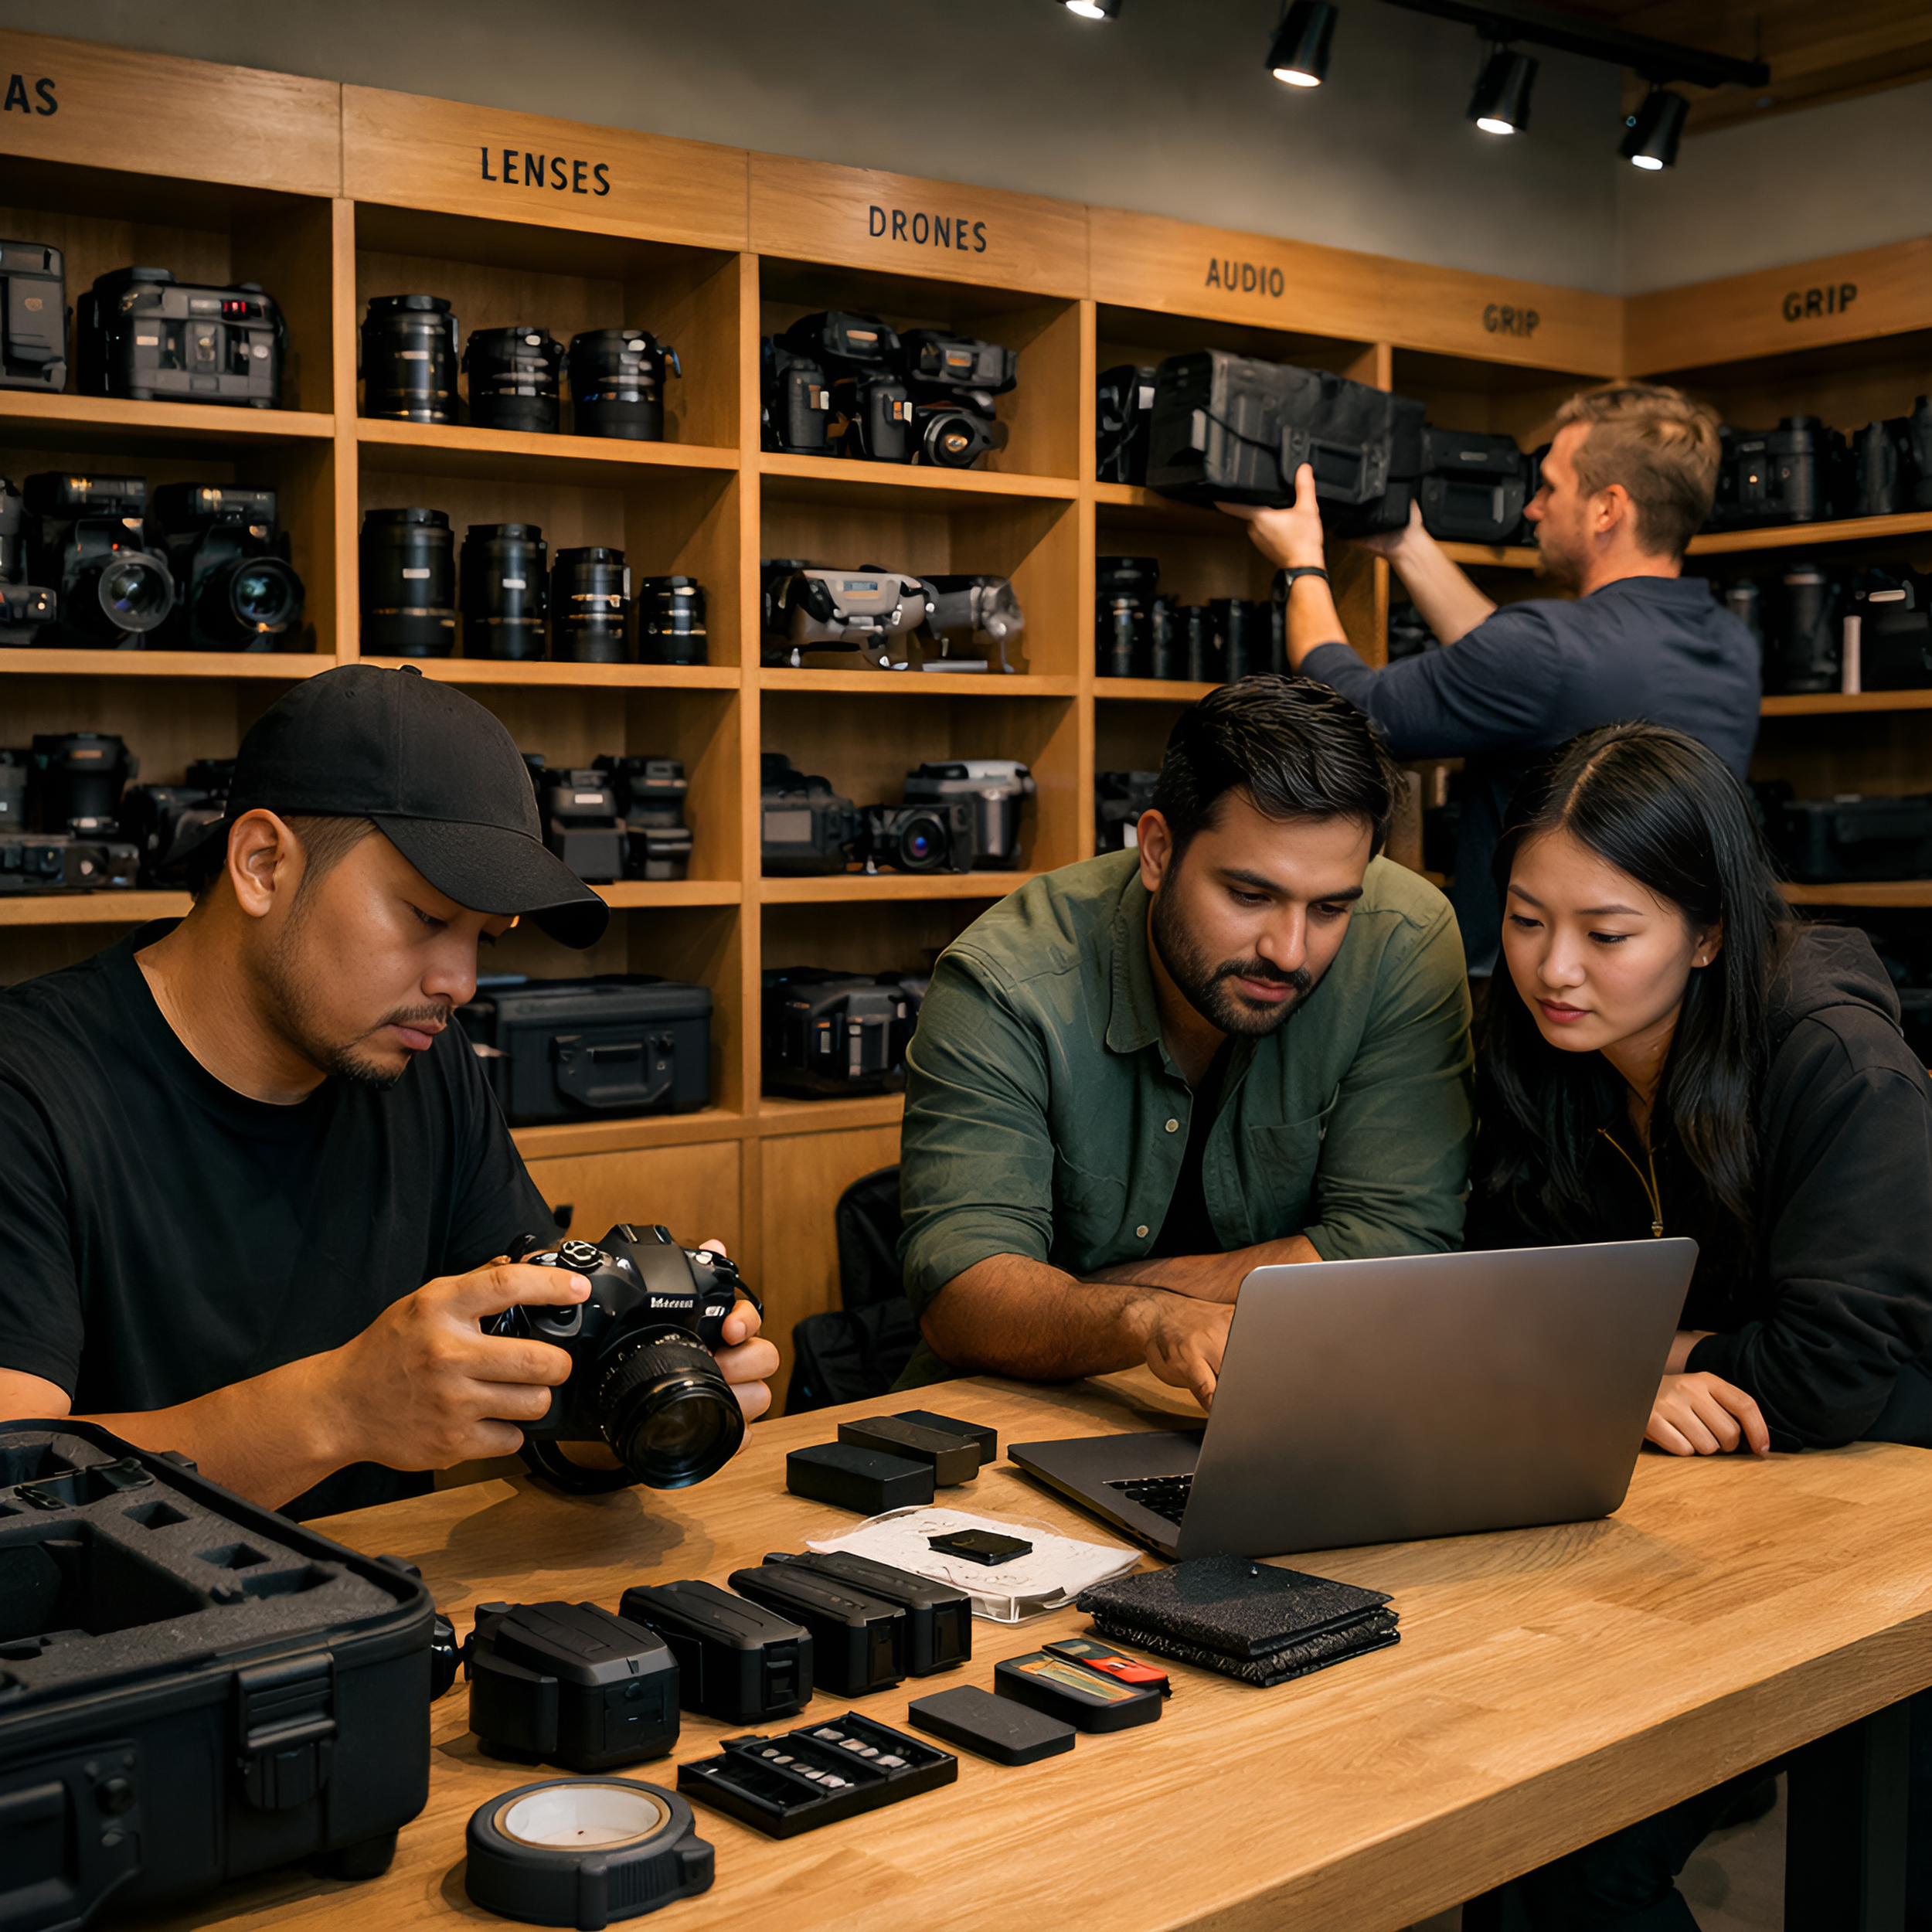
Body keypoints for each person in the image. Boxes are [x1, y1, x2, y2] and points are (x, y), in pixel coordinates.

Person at [0, 665, 777, 1519]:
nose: (461, 981)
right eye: (425, 916)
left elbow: (518, 1389)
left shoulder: (420, 1062)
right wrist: (340, 1411)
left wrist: (627, 1389)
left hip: (379, 1621)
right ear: (262, 864)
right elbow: (14, 1492)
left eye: (485, 936)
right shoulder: (26, 1089)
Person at [1465, 720, 1932, 1927]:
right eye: (1525, 919)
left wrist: (1635, 1352)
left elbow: (1825, 1371)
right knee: (1528, 1828)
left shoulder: (1836, 1061)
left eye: (1607, 934)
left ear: (1709, 931)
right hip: (1713, 1499)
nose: (1552, 969)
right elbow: (1492, 1297)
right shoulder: (1537, 1053)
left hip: (1891, 1501)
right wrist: (1627, 1367)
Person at [895, 675, 1475, 1405]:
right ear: (1159, 850)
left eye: (1329, 907)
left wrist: (1089, 1298)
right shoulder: (1006, 981)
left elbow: (1397, 1250)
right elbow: (963, 1292)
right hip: (1019, 1409)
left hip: (1293, 1398)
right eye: (1250, 895)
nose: (1290, 951)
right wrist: (1143, 1319)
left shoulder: (1403, 939)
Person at [1223, 381, 1763, 979]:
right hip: (1663, 980)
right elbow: (1508, 660)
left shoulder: (1547, 651)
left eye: (1552, 487)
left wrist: (1302, 561)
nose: (1533, 507)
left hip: (1526, 991)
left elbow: (1356, 708)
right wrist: (1406, 545)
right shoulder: (1728, 640)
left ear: (1608, 508)